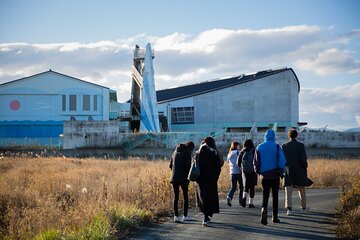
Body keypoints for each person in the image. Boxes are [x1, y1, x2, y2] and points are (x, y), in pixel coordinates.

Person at [254, 129, 286, 225]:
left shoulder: (259, 147)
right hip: (275, 175)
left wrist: (259, 172)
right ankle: (275, 217)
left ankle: (264, 210)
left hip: (264, 176)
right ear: (273, 136)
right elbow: (282, 161)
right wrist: (281, 171)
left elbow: (255, 162)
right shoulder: (277, 147)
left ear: (265, 136)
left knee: (265, 196)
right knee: (275, 196)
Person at [196, 137, 223, 226]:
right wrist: (216, 176)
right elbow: (218, 165)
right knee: (210, 197)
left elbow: (196, 165)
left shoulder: (199, 152)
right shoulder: (214, 152)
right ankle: (207, 216)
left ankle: (205, 217)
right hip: (211, 178)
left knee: (203, 197)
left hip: (200, 179)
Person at [282, 129, 309, 215]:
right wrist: (305, 166)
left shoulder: (284, 146)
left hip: (288, 169)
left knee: (288, 190)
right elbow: (303, 159)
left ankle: (289, 209)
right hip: (299, 169)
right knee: (301, 189)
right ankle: (303, 207)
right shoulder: (301, 145)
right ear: (296, 135)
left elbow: (282, 160)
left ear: (288, 136)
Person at [169, 141, 195, 222]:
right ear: (190, 148)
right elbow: (188, 167)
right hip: (183, 178)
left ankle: (176, 216)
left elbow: (170, 165)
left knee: (176, 196)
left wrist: (175, 172)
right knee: (185, 197)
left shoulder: (175, 152)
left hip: (174, 177)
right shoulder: (187, 153)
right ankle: (185, 216)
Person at [238, 138, 257, 208]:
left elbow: (238, 163)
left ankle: (244, 198)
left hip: (245, 172)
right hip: (253, 171)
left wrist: (242, 168)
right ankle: (250, 203)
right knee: (252, 187)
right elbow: (256, 161)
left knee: (246, 186)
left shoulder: (242, 151)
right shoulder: (254, 151)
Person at [226, 141, 242, 207]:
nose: (239, 147)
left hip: (232, 172)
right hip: (239, 172)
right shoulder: (238, 152)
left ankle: (229, 196)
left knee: (233, 187)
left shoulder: (229, 153)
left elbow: (228, 162)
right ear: (236, 146)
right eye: (238, 146)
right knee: (241, 187)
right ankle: (241, 201)